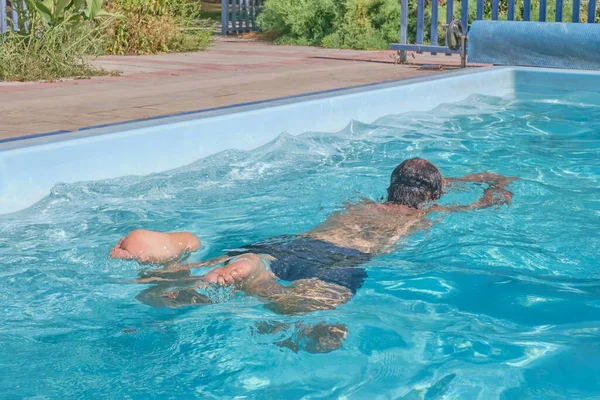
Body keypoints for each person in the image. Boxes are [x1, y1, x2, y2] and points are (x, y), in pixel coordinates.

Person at [111, 158, 519, 315]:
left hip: (288, 241)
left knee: (178, 283)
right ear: (432, 196)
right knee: (305, 307)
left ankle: (181, 257)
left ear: (390, 186)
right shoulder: (425, 217)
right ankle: (257, 278)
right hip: (339, 257)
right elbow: (491, 194)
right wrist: (489, 182)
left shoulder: (359, 203)